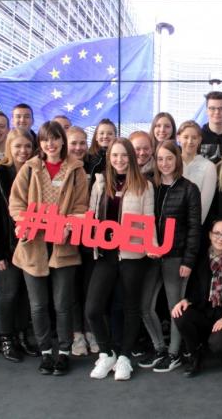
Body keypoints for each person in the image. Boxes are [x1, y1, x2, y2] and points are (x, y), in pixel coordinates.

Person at [9, 121, 90, 375]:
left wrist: (69, 225)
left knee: (62, 304)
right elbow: (16, 205)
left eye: (55, 139)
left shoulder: (76, 170)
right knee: (38, 305)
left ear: (62, 141)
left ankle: (64, 352)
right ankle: (46, 352)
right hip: (33, 246)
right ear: (39, 143)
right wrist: (24, 221)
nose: (50, 144)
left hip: (63, 246)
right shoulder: (29, 169)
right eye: (45, 140)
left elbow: (81, 207)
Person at [86, 138, 156, 381]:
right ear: (109, 158)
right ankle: (106, 353)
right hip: (105, 255)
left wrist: (152, 247)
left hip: (132, 256)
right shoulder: (100, 184)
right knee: (93, 309)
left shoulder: (144, 186)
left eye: (124, 155)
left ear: (132, 158)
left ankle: (125, 356)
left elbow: (149, 221)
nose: (119, 160)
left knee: (129, 308)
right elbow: (92, 219)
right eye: (115, 155)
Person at [138, 141, 202, 373]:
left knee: (175, 308)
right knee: (144, 305)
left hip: (176, 257)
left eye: (169, 159)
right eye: (161, 159)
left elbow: (195, 228)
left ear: (177, 160)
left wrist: (188, 261)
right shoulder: (149, 186)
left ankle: (174, 353)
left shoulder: (189, 188)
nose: (165, 164)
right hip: (152, 256)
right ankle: (160, 348)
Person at [0, 128, 34, 362]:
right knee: (9, 292)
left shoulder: (35, 172)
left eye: (27, 146)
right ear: (9, 147)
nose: (23, 151)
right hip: (8, 247)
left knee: (25, 293)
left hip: (31, 245)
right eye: (18, 146)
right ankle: (6, 338)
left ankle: (22, 336)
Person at [171, 219, 222, 377]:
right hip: (205, 312)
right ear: (210, 235)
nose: (220, 238)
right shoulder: (201, 259)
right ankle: (195, 356)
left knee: (218, 344)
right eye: (217, 233)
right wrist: (185, 300)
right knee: (180, 314)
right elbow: (194, 290)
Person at [66, 126, 99, 355]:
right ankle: (76, 335)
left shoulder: (95, 166)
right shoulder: (60, 168)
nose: (78, 147)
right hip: (66, 237)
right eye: (73, 143)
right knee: (71, 288)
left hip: (90, 237)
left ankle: (90, 331)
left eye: (82, 143)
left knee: (89, 287)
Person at [178, 121, 217, 225]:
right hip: (170, 225)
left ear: (199, 140)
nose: (190, 141)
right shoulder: (171, 163)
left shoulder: (209, 167)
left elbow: (204, 205)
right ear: (178, 138)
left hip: (194, 227)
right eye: (186, 137)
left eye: (194, 138)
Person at [84, 118, 116, 189]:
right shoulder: (87, 157)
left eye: (110, 133)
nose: (105, 136)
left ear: (115, 137)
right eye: (101, 133)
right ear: (96, 137)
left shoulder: (118, 158)